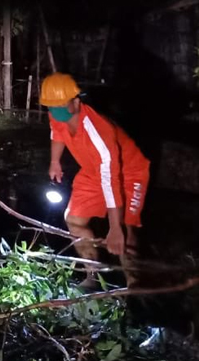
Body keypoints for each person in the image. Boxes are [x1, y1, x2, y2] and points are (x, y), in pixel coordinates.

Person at [40, 73, 149, 287]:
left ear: (76, 102)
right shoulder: (57, 115)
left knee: (126, 228)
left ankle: (133, 285)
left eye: (59, 105)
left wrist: (114, 227)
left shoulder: (98, 133)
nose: (54, 110)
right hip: (92, 170)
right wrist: (55, 161)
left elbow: (111, 181)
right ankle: (92, 275)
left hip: (129, 172)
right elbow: (57, 134)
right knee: (73, 220)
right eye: (50, 106)